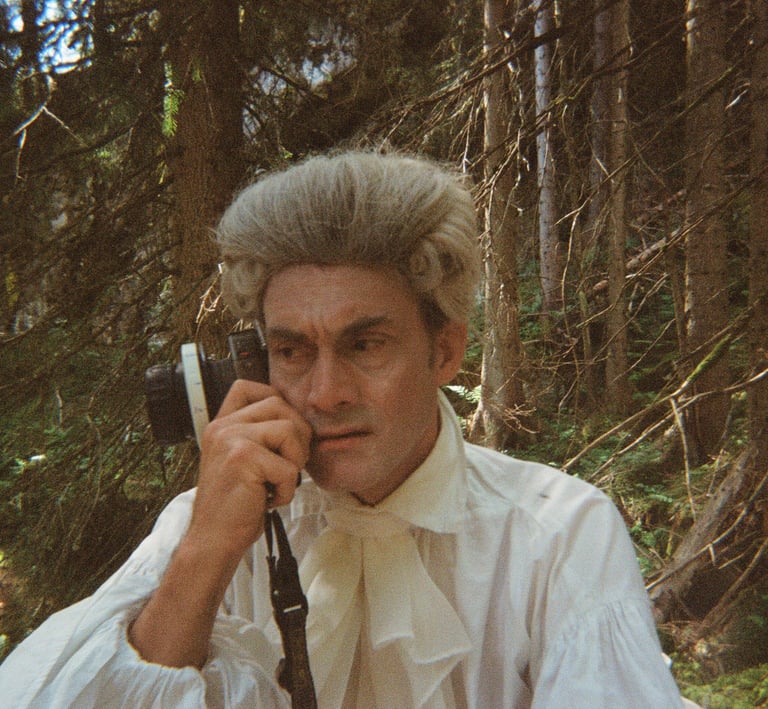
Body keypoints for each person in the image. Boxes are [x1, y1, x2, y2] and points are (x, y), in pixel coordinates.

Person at [0, 151, 687, 708]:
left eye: (366, 344)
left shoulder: (555, 536)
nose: (325, 394)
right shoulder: (207, 526)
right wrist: (206, 552)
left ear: (444, 351)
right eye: (292, 351)